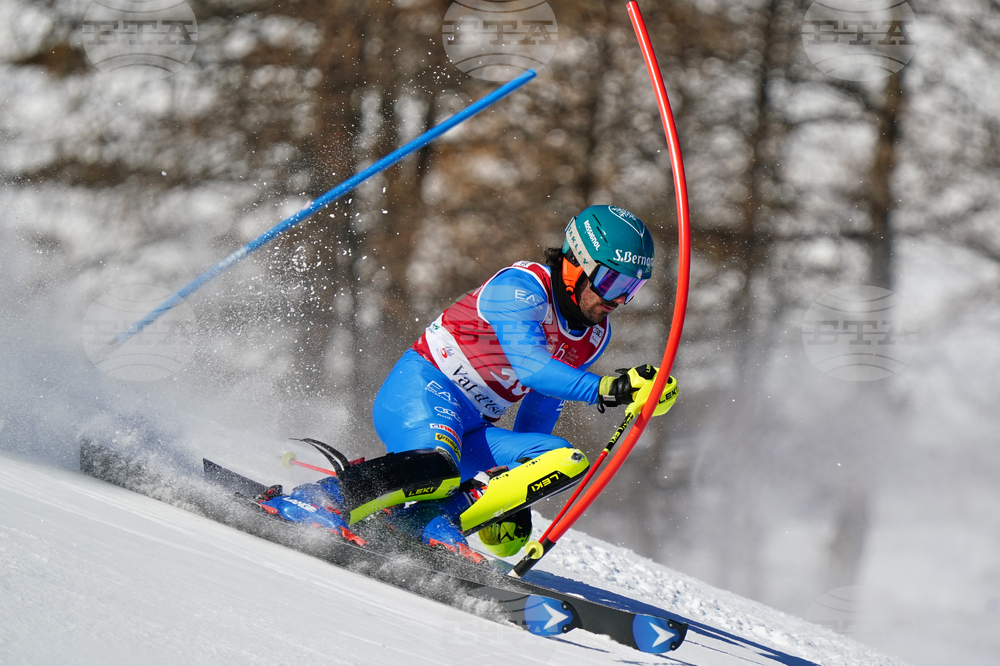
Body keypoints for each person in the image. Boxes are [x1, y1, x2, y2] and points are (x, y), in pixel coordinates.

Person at [258, 205, 678, 561]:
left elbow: (540, 406)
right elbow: (531, 367)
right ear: (577, 262)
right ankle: (318, 498)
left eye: (631, 289)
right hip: (425, 386)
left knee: (564, 460)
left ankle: (421, 520)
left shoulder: (594, 334)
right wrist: (609, 390)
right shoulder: (521, 287)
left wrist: (517, 487)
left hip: (474, 427)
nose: (616, 300)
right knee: (438, 464)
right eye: (612, 282)